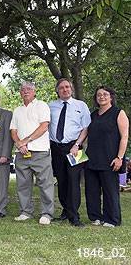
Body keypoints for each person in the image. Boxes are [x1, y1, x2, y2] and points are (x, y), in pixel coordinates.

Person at [10, 81, 54, 225]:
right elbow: (13, 131)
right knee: (22, 184)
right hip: (21, 153)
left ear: (35, 92)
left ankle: (46, 214)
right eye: (23, 89)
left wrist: (26, 141)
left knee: (45, 183)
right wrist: (19, 143)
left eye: (29, 89)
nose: (26, 91)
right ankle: (25, 212)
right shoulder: (17, 110)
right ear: (20, 93)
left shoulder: (42, 105)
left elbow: (44, 126)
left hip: (40, 151)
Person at [49, 78, 91, 227]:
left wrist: (77, 144)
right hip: (56, 148)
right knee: (61, 181)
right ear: (57, 91)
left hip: (76, 148)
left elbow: (85, 128)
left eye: (67, 87)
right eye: (61, 88)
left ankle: (75, 216)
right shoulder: (51, 106)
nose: (65, 89)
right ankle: (66, 211)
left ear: (71, 89)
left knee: (74, 182)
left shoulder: (81, 105)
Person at [85, 86, 129, 227]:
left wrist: (120, 157)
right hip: (92, 158)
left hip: (110, 160)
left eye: (105, 94)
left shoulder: (118, 113)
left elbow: (124, 137)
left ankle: (112, 219)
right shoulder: (93, 115)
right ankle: (96, 217)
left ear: (111, 97)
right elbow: (85, 133)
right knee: (92, 191)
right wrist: (76, 145)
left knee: (110, 191)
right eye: (99, 95)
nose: (101, 96)